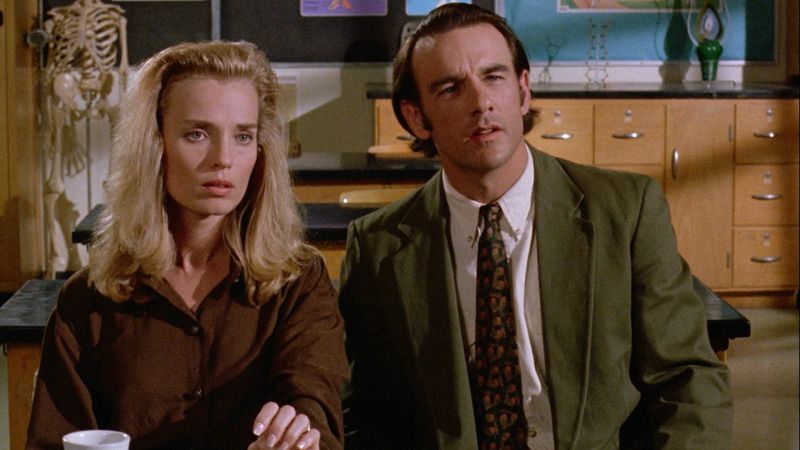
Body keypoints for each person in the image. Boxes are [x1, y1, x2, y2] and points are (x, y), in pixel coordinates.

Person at [338, 4, 732, 449]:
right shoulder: (377, 248)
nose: (481, 102)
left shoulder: (624, 212)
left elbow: (687, 379)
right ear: (416, 117)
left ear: (523, 92)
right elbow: (368, 415)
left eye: (494, 77)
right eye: (450, 88)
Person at [27, 41, 349, 450]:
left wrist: (296, 432)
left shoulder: (298, 283)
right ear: (154, 144)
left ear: (260, 151)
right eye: (197, 134)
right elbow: (55, 441)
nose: (223, 158)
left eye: (243, 136)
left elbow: (314, 400)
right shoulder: (88, 301)